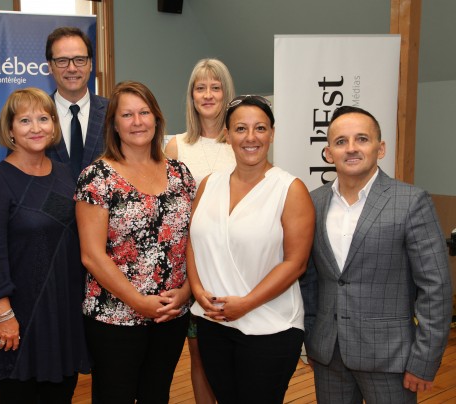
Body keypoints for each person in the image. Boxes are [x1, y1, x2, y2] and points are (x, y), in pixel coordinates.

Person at [300, 105, 452, 403]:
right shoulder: (312, 203)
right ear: (328, 153)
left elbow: (436, 289)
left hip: (391, 359)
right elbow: (309, 281)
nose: (351, 148)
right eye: (341, 141)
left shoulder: (411, 202)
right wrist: (312, 339)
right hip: (329, 356)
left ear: (380, 148)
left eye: (362, 139)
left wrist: (424, 361)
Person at [186, 95, 315, 403]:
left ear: (271, 133)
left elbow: (295, 263)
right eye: (241, 128)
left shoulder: (289, 188)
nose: (251, 137)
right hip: (213, 322)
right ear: (227, 135)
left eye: (260, 128)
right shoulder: (209, 184)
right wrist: (197, 289)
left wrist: (245, 304)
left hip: (270, 326)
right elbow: (194, 242)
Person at [75, 80, 196, 403]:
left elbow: (192, 241)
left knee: (157, 394)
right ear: (113, 124)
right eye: (127, 115)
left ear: (157, 118)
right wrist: (139, 302)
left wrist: (186, 292)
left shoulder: (181, 174)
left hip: (171, 313)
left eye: (144, 112)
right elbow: (91, 255)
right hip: (115, 316)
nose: (138, 121)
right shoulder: (97, 177)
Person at [0, 88, 90, 403]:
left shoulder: (65, 174)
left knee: (60, 396)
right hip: (18, 316)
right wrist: (2, 314)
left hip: (62, 313)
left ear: (54, 125)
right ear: (10, 130)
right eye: (25, 120)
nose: (36, 128)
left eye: (43, 118)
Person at [164, 57, 236, 404]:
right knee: (201, 357)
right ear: (191, 96)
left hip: (239, 268)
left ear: (227, 93)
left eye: (215, 87)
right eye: (200, 87)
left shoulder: (244, 142)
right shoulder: (175, 146)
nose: (208, 95)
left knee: (239, 358)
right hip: (191, 268)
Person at [45, 26, 108, 179]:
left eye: (80, 60)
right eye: (62, 61)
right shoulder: (34, 116)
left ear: (91, 64)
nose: (72, 68)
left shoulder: (113, 112)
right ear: (50, 66)